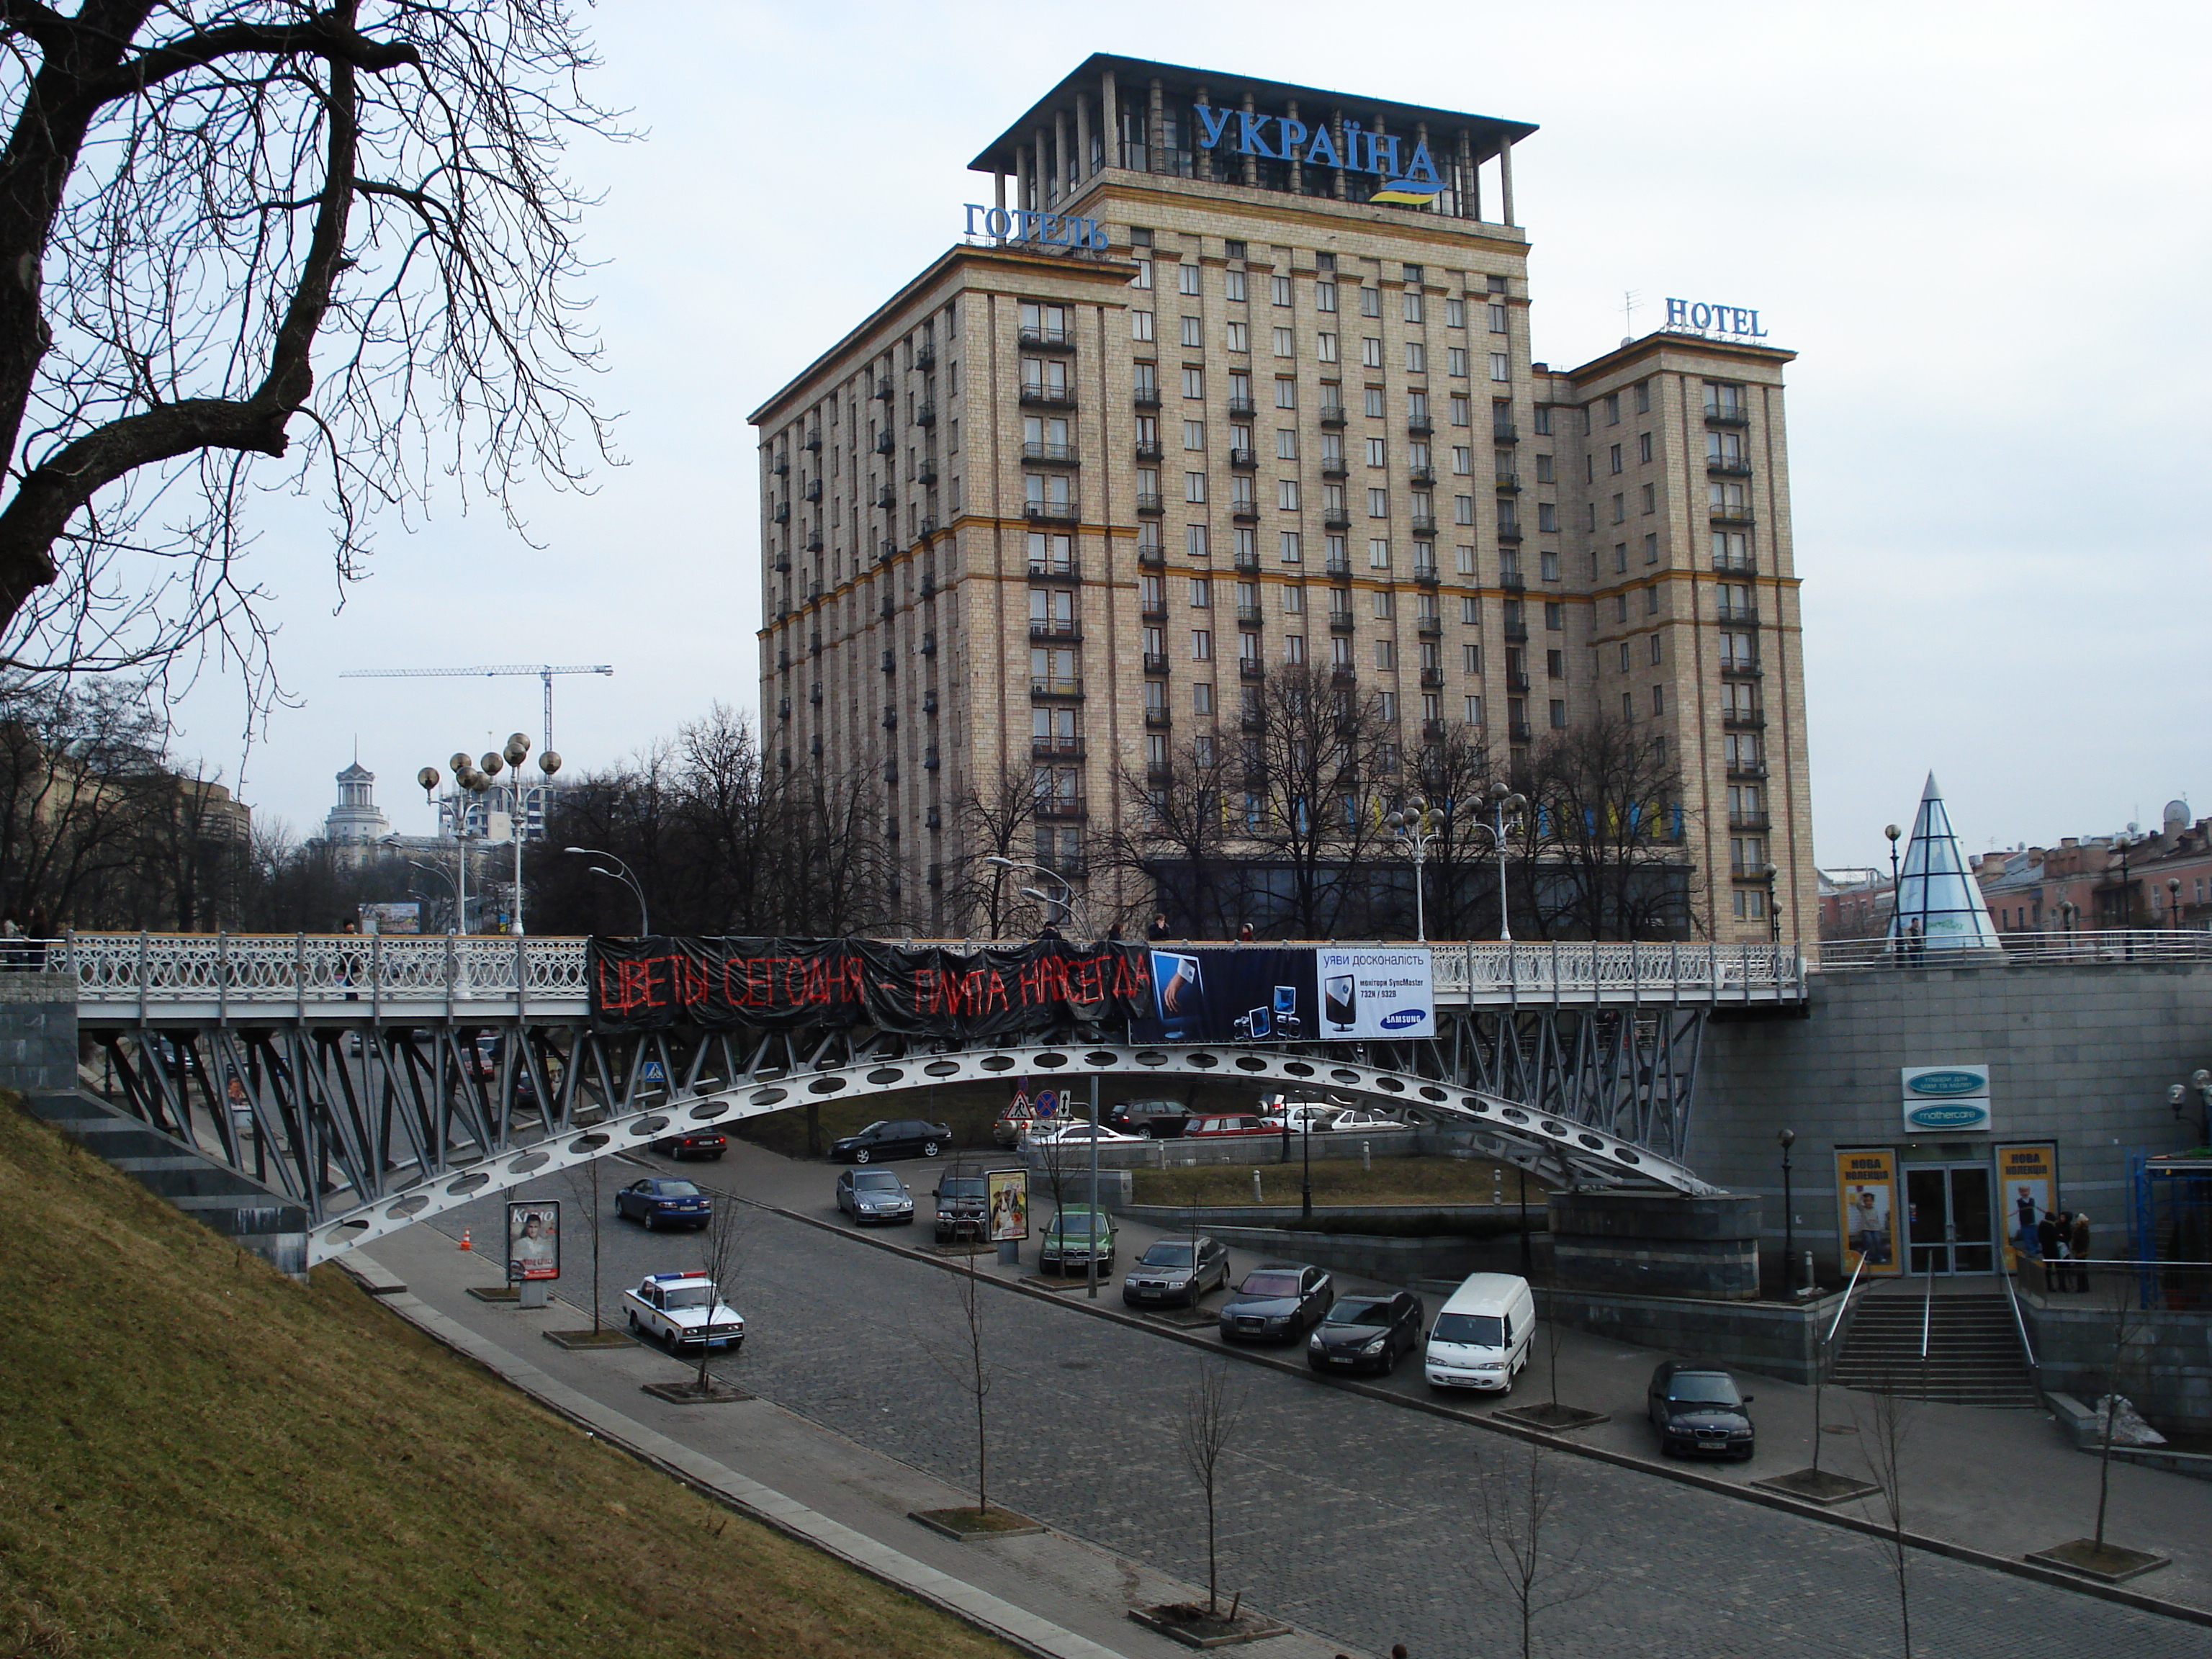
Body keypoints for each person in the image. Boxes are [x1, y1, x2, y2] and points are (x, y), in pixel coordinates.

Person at [2036, 1209, 2063, 1293]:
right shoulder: (2050, 1226)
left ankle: (2050, 1286)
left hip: (2046, 1249)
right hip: (2053, 1249)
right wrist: (2059, 1235)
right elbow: (2055, 1236)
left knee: (2048, 1268)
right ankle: (2061, 1285)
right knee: (2059, 1267)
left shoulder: (2041, 1226)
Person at [2069, 1211, 2092, 1292]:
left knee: (2080, 1270)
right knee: (2083, 1270)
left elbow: (2076, 1241)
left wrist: (2074, 1249)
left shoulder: (2079, 1230)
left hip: (2079, 1252)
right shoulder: (2085, 1229)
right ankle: (2085, 1287)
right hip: (2083, 1252)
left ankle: (2081, 1287)